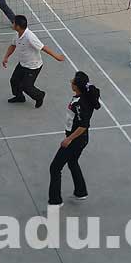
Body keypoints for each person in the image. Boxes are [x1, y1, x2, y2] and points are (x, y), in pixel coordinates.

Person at [48, 71, 101, 206]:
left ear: (76, 86)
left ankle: (55, 201)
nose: (70, 81)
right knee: (72, 162)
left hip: (76, 140)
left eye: (73, 81)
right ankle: (81, 192)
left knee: (55, 168)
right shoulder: (82, 97)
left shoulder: (80, 104)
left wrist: (69, 139)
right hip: (81, 139)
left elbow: (83, 126)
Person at [2, 15, 64, 108]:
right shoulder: (17, 34)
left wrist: (57, 57)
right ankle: (19, 97)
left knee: (27, 87)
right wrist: (6, 57)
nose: (12, 24)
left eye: (13, 23)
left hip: (33, 66)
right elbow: (13, 45)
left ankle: (40, 96)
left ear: (18, 26)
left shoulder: (30, 37)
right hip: (22, 64)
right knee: (14, 81)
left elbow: (43, 47)